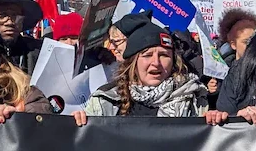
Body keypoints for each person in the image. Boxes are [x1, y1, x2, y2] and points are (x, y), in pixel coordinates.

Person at [73, 12, 215, 122]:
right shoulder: (105, 100)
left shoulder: (193, 98)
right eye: (147, 55)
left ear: (173, 60)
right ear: (133, 62)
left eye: (164, 55)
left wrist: (217, 123)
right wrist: (77, 126)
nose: (156, 63)